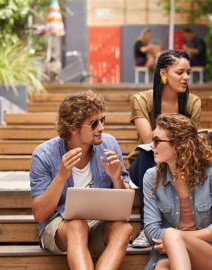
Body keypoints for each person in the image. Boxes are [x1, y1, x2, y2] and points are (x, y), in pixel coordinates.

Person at [29, 91, 134, 270]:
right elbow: (40, 215)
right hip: (61, 228)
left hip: (99, 224)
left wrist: (117, 179)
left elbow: (125, 206)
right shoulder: (44, 155)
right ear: (74, 128)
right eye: (94, 123)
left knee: (124, 229)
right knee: (77, 226)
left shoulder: (109, 144)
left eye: (102, 120)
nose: (101, 127)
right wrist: (61, 176)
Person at [129, 49, 202, 248]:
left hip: (180, 167)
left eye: (188, 72)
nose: (186, 77)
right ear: (163, 73)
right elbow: (150, 139)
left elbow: (190, 144)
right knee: (148, 153)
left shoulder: (192, 102)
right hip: (145, 165)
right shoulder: (142, 100)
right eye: (180, 72)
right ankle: (146, 228)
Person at [143, 113, 212, 270]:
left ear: (178, 145)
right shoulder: (151, 177)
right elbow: (151, 231)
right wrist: (174, 242)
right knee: (162, 267)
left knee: (171, 234)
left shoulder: (211, 173)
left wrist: (177, 239)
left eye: (157, 140)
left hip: (206, 251)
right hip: (166, 254)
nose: (152, 145)